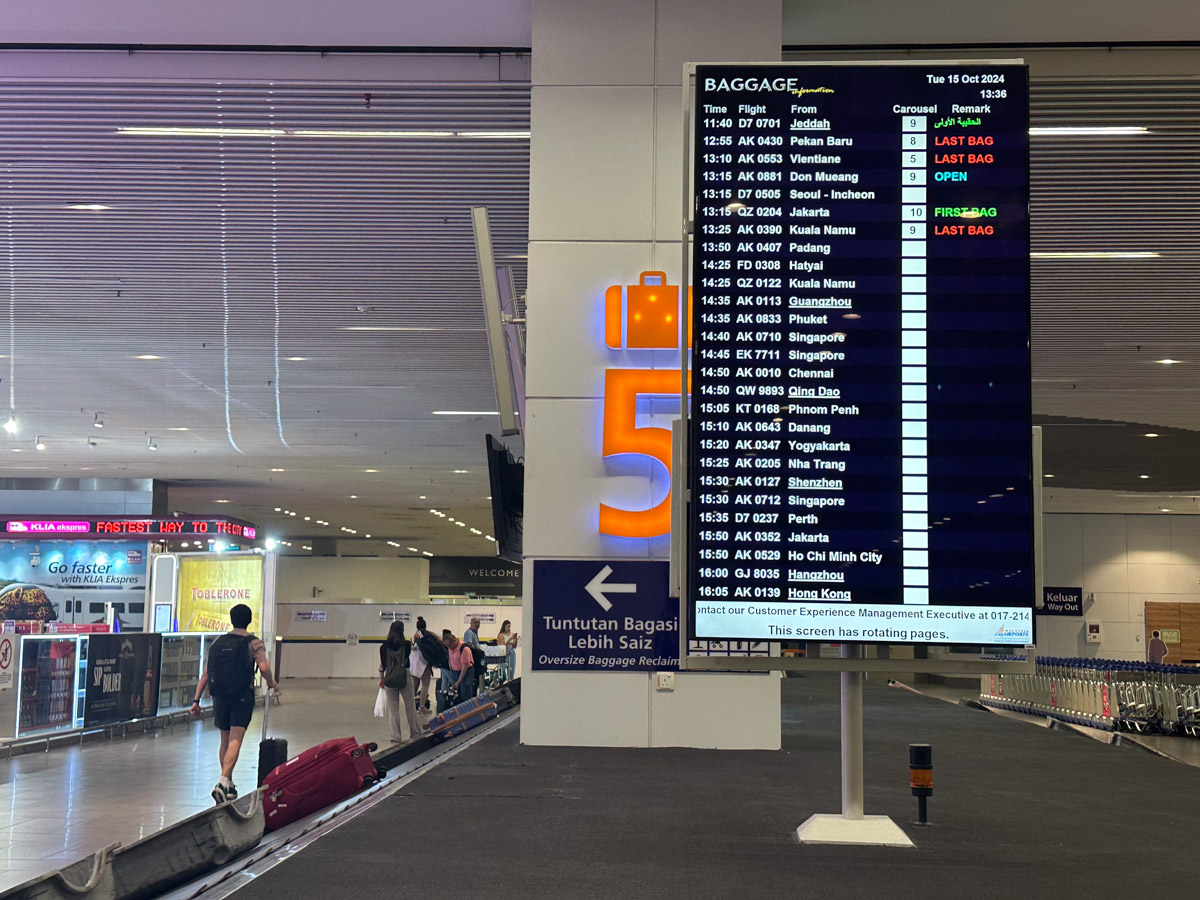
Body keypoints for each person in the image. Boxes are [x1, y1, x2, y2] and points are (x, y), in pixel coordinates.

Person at [191, 603, 279, 804]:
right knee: (235, 739)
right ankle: (222, 781)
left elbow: (205, 673)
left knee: (224, 739)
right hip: (241, 694)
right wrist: (271, 682)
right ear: (249, 620)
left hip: (219, 696)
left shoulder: (217, 642)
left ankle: (228, 785)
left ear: (232, 619)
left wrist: (196, 700)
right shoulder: (253, 642)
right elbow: (263, 667)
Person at [378, 621, 419, 742]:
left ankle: (395, 736)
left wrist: (381, 680)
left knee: (393, 708)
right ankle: (415, 732)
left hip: (389, 677)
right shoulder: (406, 645)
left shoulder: (383, 647)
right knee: (410, 705)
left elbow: (383, 666)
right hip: (404, 676)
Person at [444, 631, 476, 702]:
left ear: (454, 642)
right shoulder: (450, 647)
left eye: (449, 645)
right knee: (458, 693)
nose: (449, 648)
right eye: (447, 646)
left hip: (466, 671)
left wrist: (459, 681)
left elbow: (465, 667)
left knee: (465, 693)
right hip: (455, 671)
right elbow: (450, 659)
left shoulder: (464, 649)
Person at [410, 616, 432, 714]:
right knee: (425, 684)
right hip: (422, 660)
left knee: (415, 684)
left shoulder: (415, 635)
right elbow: (425, 646)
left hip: (414, 661)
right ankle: (422, 707)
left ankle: (410, 705)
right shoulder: (423, 634)